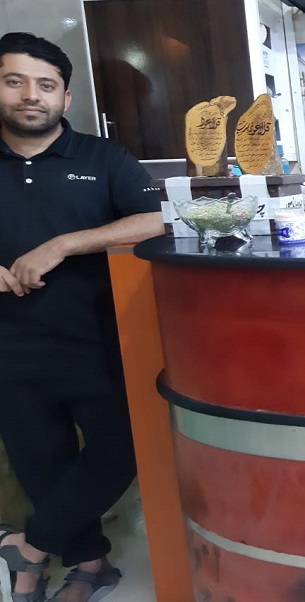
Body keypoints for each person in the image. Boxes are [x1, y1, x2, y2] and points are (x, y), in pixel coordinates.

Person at [0, 32, 163, 602]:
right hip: (10, 348)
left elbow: (154, 220)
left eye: (46, 85)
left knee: (121, 450)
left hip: (97, 340)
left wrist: (63, 245)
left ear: (65, 97)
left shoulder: (102, 158)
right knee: (42, 464)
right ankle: (91, 567)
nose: (31, 95)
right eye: (15, 81)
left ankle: (29, 547)